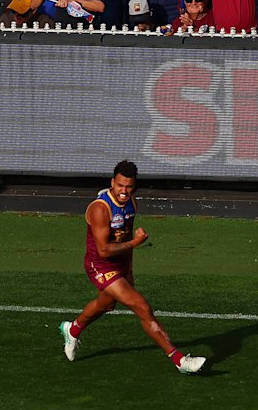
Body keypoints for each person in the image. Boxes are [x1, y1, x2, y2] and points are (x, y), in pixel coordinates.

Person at [59, 159, 206, 375]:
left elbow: (124, 238)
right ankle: (179, 360)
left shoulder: (131, 203)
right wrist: (136, 243)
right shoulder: (100, 209)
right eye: (120, 185)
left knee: (106, 305)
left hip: (120, 264)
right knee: (142, 306)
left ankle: (72, 329)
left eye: (128, 186)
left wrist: (128, 270)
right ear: (112, 182)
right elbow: (103, 250)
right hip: (99, 265)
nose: (124, 191)